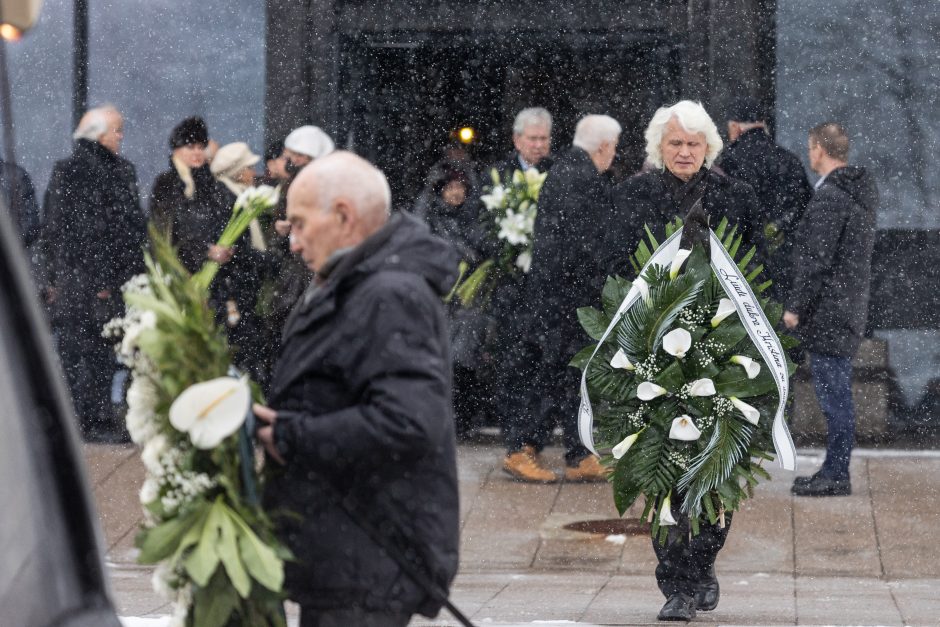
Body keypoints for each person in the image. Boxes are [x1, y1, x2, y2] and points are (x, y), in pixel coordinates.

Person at [253, 151, 460, 626]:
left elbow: (408, 422)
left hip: (369, 554)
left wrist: (290, 436)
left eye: (301, 224)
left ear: (344, 216)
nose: (294, 242)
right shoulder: (358, 284)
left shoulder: (389, 293)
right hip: (347, 549)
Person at [613, 101, 759, 622]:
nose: (684, 151)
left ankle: (704, 563)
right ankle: (676, 582)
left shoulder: (735, 198)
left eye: (694, 143)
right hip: (652, 354)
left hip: (723, 353)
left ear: (709, 148)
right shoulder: (633, 197)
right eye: (675, 142)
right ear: (659, 147)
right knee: (662, 470)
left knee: (717, 468)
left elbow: (758, 270)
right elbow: (613, 271)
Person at [501, 114, 621, 483]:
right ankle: (522, 448)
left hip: (559, 296)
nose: (614, 155)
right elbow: (584, 246)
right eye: (614, 148)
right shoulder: (580, 178)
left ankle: (578, 452)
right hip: (564, 300)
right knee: (551, 375)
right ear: (603, 147)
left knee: (570, 377)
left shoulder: (569, 170)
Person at [786, 122, 877, 498]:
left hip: (829, 313)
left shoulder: (831, 197)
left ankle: (836, 474)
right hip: (847, 309)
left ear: (819, 150)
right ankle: (834, 469)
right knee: (837, 394)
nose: (809, 155)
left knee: (834, 396)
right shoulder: (857, 194)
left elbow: (816, 260)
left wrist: (795, 307)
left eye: (810, 148)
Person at [44, 104, 146, 441]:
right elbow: (79, 231)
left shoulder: (92, 171)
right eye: (117, 130)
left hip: (92, 284)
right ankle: (90, 420)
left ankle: (90, 418)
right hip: (92, 285)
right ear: (100, 134)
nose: (120, 137)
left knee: (95, 354)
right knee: (91, 355)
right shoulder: (80, 173)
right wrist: (101, 278)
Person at [718, 96, 812, 301]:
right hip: (788, 266)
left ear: (735, 127)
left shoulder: (727, 163)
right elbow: (806, 212)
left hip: (744, 266)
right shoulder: (790, 161)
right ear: (763, 125)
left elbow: (724, 218)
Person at [210, 142, 269, 379]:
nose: (254, 173)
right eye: (249, 168)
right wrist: (269, 261)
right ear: (237, 171)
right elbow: (237, 250)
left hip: (239, 286)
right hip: (235, 289)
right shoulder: (228, 200)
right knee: (242, 349)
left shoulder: (236, 196)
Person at [149, 116, 233, 274]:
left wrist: (225, 249)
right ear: (176, 149)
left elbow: (222, 220)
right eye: (190, 147)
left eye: (201, 147)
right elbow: (165, 230)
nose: (197, 152)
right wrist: (204, 251)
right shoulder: (166, 184)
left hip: (216, 273)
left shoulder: (213, 185)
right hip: (178, 272)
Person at [489, 107, 553, 177]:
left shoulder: (560, 171)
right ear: (517, 140)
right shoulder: (497, 174)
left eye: (543, 138)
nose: (539, 145)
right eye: (533, 138)